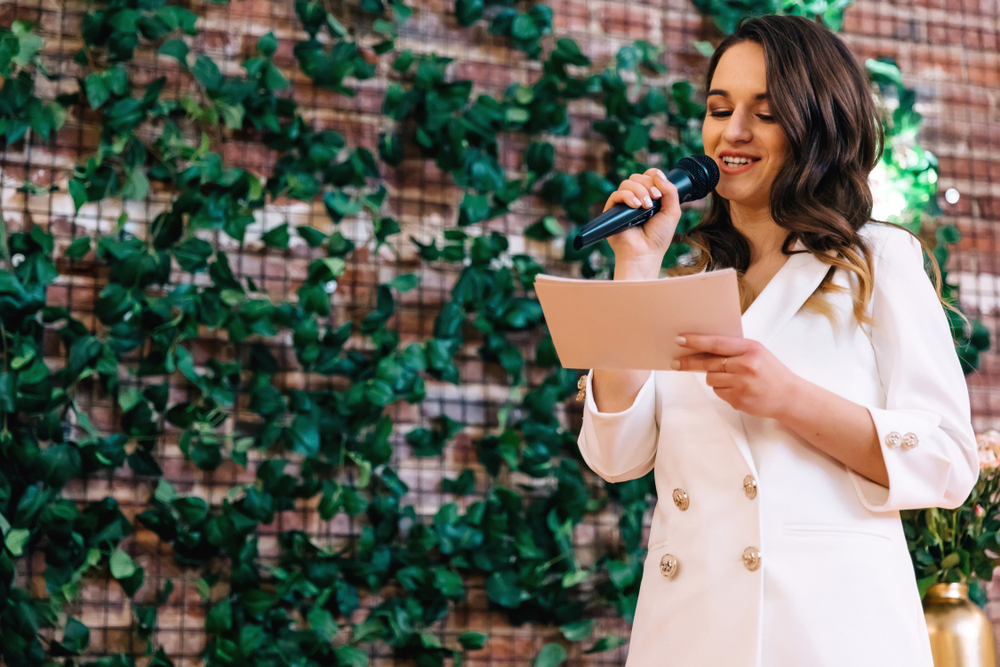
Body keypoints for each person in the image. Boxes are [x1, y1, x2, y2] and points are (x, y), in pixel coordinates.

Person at [576, 14, 978, 667]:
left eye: (764, 113)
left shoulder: (877, 261)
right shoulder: (686, 282)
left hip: (832, 630)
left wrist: (789, 397)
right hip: (688, 632)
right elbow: (614, 453)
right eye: (718, 108)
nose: (731, 133)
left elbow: (948, 460)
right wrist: (636, 267)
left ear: (816, 126)